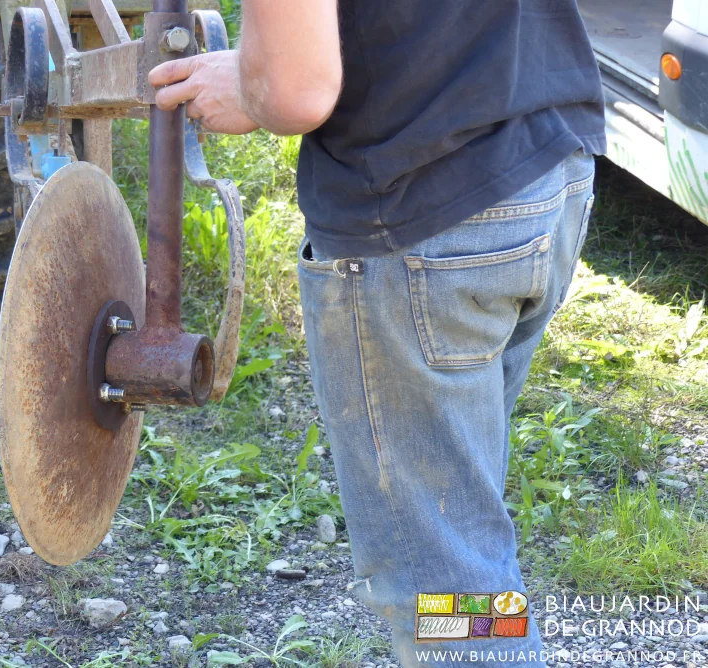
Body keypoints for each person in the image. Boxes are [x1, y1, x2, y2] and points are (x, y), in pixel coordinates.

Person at [149, 1, 605, 666]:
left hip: (423, 216)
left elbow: (296, 89)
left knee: (448, 589)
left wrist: (249, 84)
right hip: (547, 167)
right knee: (462, 537)